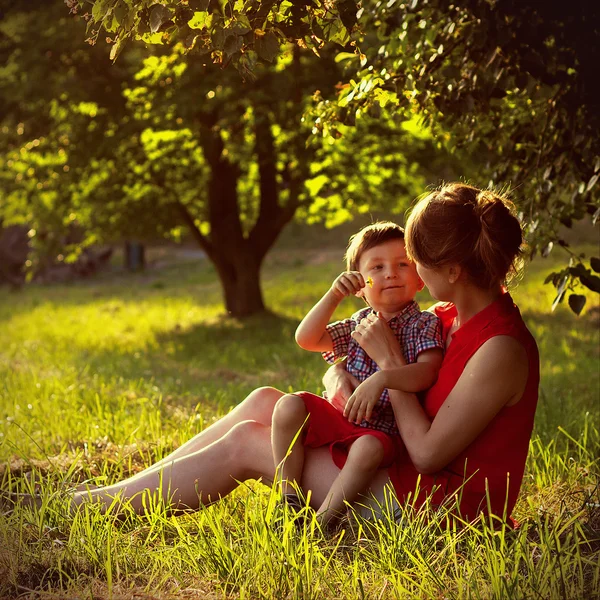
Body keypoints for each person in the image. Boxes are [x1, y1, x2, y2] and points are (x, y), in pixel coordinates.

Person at [15, 183, 538, 527]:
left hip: (440, 511)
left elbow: (427, 453)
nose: (410, 275)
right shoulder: (453, 315)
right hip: (404, 473)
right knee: (266, 399)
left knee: (248, 443)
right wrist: (344, 376)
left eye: (416, 262)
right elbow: (363, 364)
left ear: (452, 269)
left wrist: (385, 366)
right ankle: (122, 491)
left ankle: (82, 510)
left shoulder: (500, 349)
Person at [272, 222, 444, 525]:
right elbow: (307, 339)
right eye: (376, 267)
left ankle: (322, 522)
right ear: (359, 286)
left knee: (367, 448)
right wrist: (333, 296)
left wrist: (383, 378)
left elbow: (427, 373)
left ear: (419, 278)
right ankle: (288, 498)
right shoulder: (358, 322)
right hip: (341, 418)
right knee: (288, 405)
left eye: (403, 264)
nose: (390, 273)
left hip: (382, 433)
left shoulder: (423, 325)